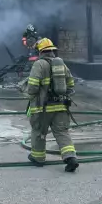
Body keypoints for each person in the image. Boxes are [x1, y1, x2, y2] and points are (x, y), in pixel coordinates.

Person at [21, 38, 79, 172]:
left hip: (42, 108)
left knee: (39, 132)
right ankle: (71, 158)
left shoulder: (39, 64)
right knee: (61, 132)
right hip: (61, 107)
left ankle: (38, 158)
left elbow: (33, 88)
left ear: (40, 51)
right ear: (52, 50)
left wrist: (26, 91)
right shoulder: (61, 65)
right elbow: (70, 85)